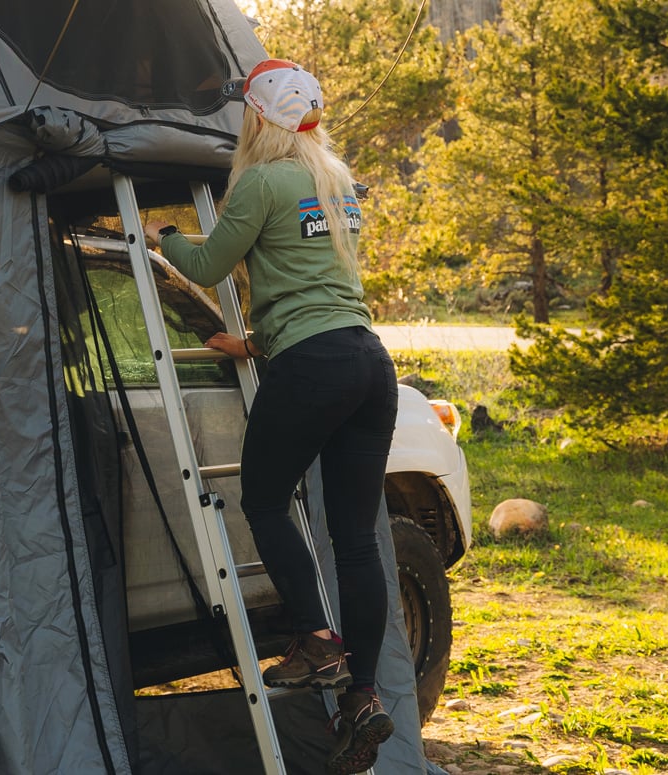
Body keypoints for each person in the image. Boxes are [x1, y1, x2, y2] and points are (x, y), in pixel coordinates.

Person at [143, 59, 398, 775]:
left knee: (262, 497)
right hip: (367, 361)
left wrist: (162, 231)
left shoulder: (261, 181)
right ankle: (366, 696)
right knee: (353, 539)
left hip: (314, 366)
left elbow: (208, 262)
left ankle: (318, 641)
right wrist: (252, 341)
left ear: (257, 116)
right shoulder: (333, 182)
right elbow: (321, 286)